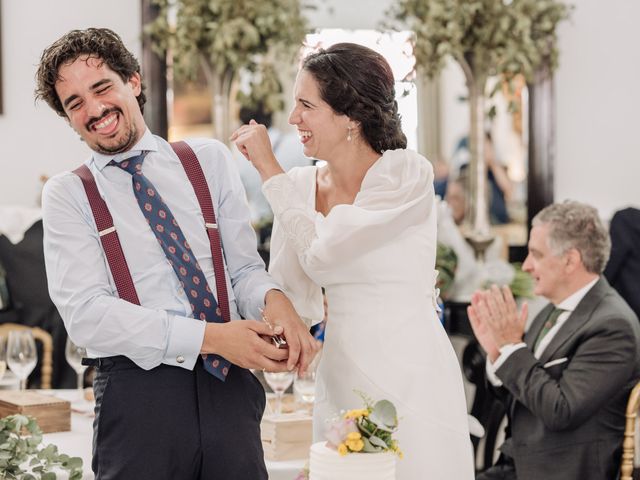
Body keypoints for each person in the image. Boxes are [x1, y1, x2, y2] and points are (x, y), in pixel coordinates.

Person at [34, 28, 318, 480]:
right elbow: (87, 314)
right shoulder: (68, 194)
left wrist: (273, 300)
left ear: (133, 81)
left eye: (102, 87)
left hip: (231, 390)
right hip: (137, 401)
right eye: (75, 104)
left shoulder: (207, 160)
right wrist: (210, 337)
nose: (94, 110)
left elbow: (242, 269)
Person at [232, 42, 474, 479]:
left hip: (410, 370)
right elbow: (291, 291)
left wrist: (269, 169)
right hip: (339, 370)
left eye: (306, 105)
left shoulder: (405, 175)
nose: (292, 119)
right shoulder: (299, 186)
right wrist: (281, 339)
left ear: (351, 117)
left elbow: (323, 254)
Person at [468, 201, 640, 480]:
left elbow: (561, 410)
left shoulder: (613, 326)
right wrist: (498, 353)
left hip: (559, 471)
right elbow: (526, 392)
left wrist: (512, 346)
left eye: (535, 254)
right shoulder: (551, 311)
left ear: (570, 260)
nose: (526, 266)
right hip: (519, 464)